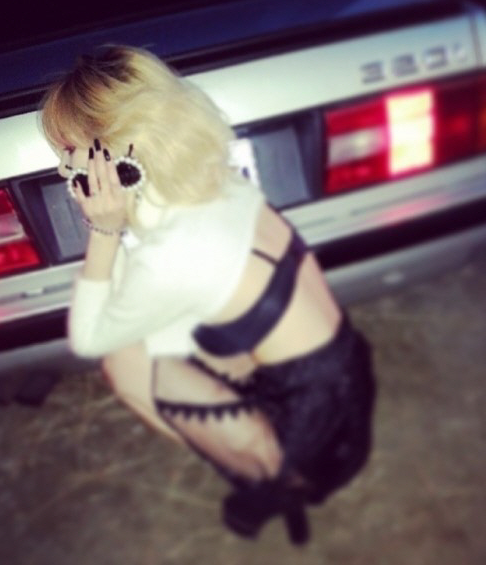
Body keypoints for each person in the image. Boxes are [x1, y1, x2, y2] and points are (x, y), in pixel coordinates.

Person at [40, 45, 376, 545]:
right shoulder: (213, 181)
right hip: (346, 383)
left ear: (114, 157)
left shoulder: (174, 252)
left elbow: (88, 337)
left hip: (314, 440)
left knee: (124, 362)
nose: (65, 172)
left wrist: (105, 228)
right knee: (163, 333)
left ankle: (274, 480)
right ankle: (265, 459)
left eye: (69, 154)